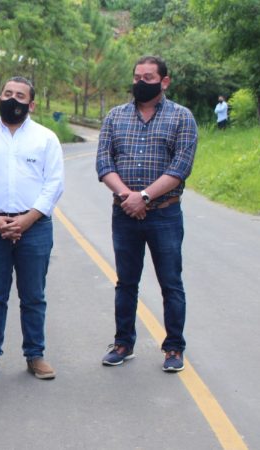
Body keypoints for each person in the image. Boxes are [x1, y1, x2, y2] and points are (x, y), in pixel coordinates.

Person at [96, 56, 197, 372]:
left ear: (164, 81)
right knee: (126, 282)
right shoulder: (115, 117)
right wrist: (128, 196)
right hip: (124, 214)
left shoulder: (182, 118)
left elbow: (180, 168)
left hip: (164, 215)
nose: (141, 81)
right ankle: (123, 343)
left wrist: (144, 196)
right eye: (137, 76)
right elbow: (104, 164)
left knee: (170, 282)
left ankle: (174, 348)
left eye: (149, 76)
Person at [0, 76, 64, 381]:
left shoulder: (46, 139)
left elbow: (53, 184)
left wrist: (28, 219)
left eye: (20, 96)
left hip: (34, 227)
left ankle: (35, 355)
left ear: (31, 104)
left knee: (33, 295)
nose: (12, 99)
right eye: (7, 93)